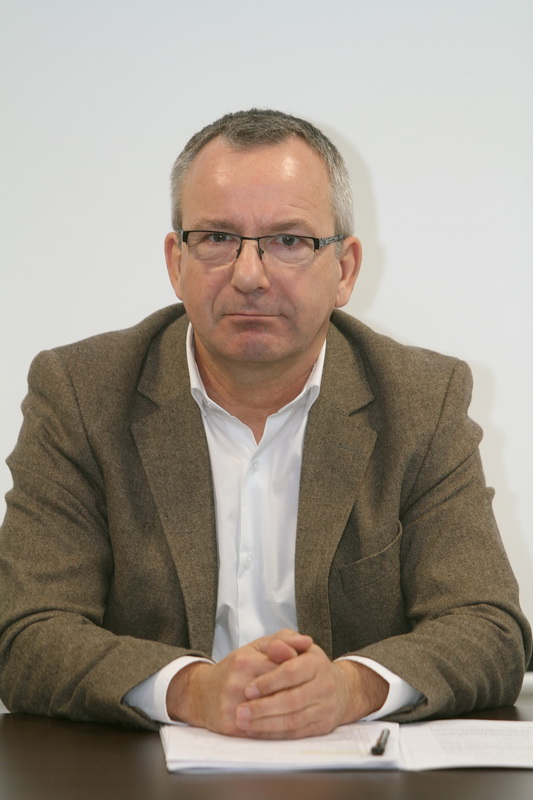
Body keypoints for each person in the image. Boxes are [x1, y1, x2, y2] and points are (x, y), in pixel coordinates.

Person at [0, 109, 530, 738]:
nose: (249, 276)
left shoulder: (422, 399)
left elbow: (488, 626)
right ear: (177, 261)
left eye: (289, 240)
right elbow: (26, 631)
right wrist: (192, 689)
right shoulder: (82, 394)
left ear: (346, 269)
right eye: (218, 238)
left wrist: (349, 686)